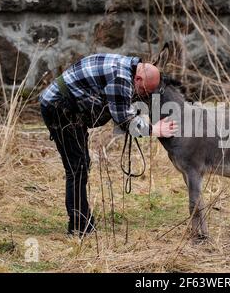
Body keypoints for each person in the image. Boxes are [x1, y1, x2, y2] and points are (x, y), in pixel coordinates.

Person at [39, 54, 177, 237]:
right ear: (138, 78)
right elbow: (125, 122)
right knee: (77, 167)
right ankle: (79, 227)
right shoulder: (120, 78)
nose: (142, 95)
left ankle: (82, 219)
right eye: (143, 91)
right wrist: (155, 130)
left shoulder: (128, 67)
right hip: (58, 107)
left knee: (81, 163)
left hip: (70, 106)